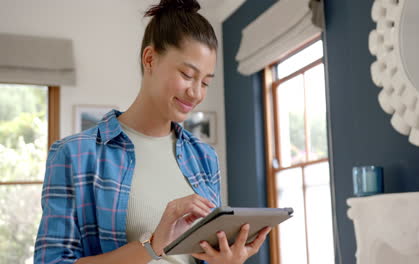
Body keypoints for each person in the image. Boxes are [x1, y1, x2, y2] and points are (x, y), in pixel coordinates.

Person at [33, 0, 271, 263]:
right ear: (150, 59)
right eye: (187, 74)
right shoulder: (75, 154)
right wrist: (153, 244)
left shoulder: (204, 157)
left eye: (205, 82)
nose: (196, 93)